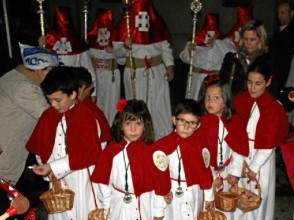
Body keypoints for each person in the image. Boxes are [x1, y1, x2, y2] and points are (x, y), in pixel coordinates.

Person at [26, 66, 104, 220]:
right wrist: (44, 165)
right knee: (63, 216)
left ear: (73, 94)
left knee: (87, 215)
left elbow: (88, 153)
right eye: (49, 100)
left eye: (57, 100)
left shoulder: (86, 115)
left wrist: (53, 167)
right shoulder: (49, 115)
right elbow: (41, 144)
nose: (53, 105)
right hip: (57, 178)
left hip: (82, 178)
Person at [91, 99, 170, 220]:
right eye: (128, 123)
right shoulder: (112, 150)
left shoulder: (153, 150)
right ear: (120, 124)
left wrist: (159, 209)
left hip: (145, 202)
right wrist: (106, 205)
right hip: (120, 203)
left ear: (146, 125)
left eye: (138, 123)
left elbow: (161, 183)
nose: (133, 129)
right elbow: (103, 179)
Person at [154, 99, 214, 220]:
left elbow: (206, 169)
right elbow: (159, 178)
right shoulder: (163, 146)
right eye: (182, 121)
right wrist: (158, 209)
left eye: (192, 123)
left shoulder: (200, 143)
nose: (186, 127)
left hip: (194, 193)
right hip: (173, 196)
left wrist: (209, 196)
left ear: (198, 125)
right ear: (174, 120)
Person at [234, 60, 289, 220]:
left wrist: (253, 166)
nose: (252, 87)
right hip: (242, 154)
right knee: (239, 194)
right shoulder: (241, 101)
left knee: (257, 197)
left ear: (268, 82)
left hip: (261, 160)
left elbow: (269, 142)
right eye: (249, 82)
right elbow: (235, 131)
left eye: (258, 83)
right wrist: (240, 161)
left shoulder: (272, 107)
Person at [198, 77, 249, 220]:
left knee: (224, 208)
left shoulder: (233, 122)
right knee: (207, 207)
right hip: (209, 174)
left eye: (216, 98)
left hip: (227, 172)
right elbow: (201, 154)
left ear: (226, 100)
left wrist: (234, 173)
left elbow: (239, 149)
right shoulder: (202, 123)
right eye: (207, 97)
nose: (210, 101)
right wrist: (212, 177)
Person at [112, 0, 174, 139]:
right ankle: (137, 137)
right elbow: (117, 55)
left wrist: (169, 65)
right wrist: (124, 46)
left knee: (159, 104)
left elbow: (165, 46)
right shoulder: (125, 23)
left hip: (157, 71)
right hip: (135, 72)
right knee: (136, 104)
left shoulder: (156, 22)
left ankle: (162, 137)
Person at [0, 44, 59, 187]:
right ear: (40, 70)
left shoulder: (11, 76)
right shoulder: (25, 87)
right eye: (51, 71)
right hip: (4, 157)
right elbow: (51, 118)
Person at [42, 6, 97, 100]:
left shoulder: (78, 42)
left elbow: (89, 70)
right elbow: (41, 67)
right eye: (59, 23)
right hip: (53, 90)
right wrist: (41, 46)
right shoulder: (48, 40)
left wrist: (93, 94)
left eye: (66, 23)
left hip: (73, 91)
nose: (63, 25)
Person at [180, 13, 236, 101]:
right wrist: (189, 51)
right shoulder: (196, 39)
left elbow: (232, 54)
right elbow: (184, 58)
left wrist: (217, 43)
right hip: (197, 78)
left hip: (215, 78)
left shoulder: (225, 40)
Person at [219, 20, 279, 98]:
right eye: (245, 39)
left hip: (257, 106)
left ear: (261, 39)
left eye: (252, 39)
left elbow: (273, 89)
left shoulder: (269, 61)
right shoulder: (231, 59)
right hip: (233, 105)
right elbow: (222, 86)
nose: (248, 43)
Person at [87, 8, 121, 126]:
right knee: (97, 103)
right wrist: (92, 62)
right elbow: (86, 57)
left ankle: (112, 127)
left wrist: (113, 52)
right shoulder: (92, 37)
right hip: (96, 75)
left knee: (111, 104)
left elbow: (123, 58)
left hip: (111, 76)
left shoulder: (117, 35)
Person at [269, 1, 294, 92]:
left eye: (283, 12)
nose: (279, 15)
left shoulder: (293, 32)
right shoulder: (279, 31)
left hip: (285, 74)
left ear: (292, 13)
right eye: (278, 13)